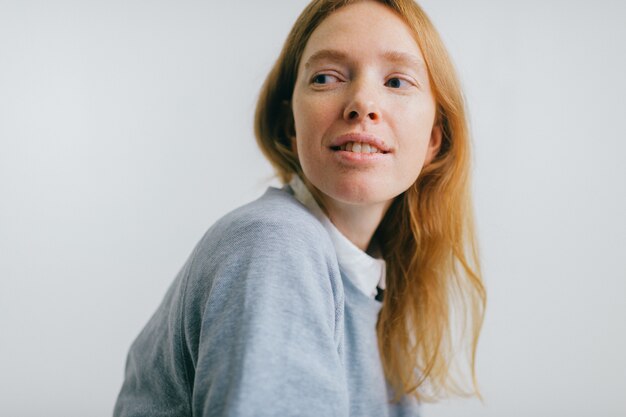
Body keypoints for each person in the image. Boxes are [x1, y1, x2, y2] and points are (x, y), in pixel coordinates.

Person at [113, 0, 486, 416]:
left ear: (435, 139)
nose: (362, 103)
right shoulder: (276, 247)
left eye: (397, 82)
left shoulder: (368, 281)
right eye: (326, 77)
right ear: (292, 125)